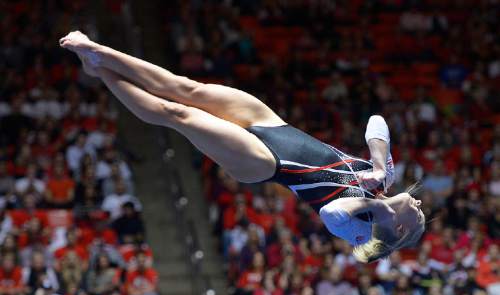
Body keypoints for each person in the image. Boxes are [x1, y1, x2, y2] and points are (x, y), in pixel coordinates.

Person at [60, 31, 426, 263]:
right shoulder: (384, 176)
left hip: (268, 163)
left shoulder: (361, 230)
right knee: (187, 88)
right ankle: (101, 54)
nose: (420, 203)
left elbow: (332, 214)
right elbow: (376, 123)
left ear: (399, 230)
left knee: (176, 114)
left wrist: (380, 205)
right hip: (273, 123)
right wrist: (379, 168)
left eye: (419, 215)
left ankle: (100, 71)